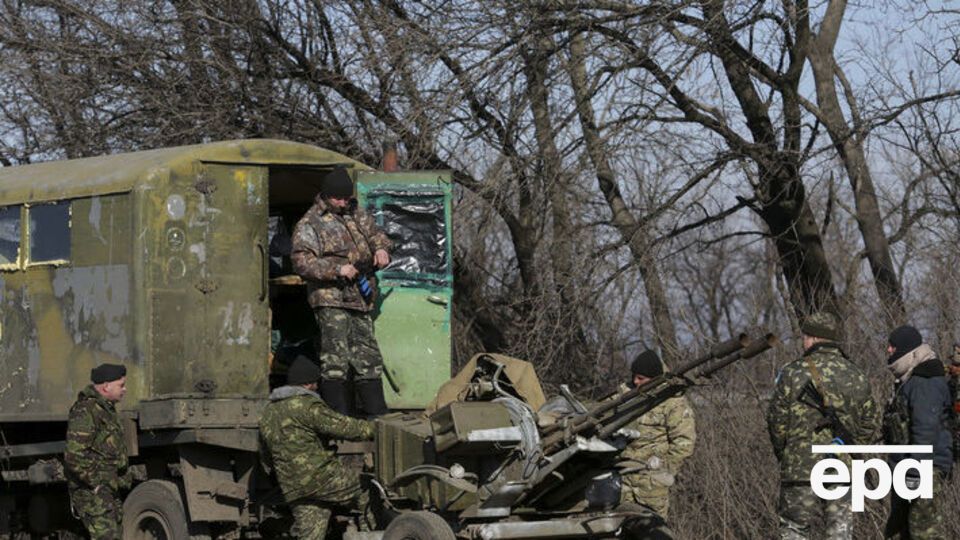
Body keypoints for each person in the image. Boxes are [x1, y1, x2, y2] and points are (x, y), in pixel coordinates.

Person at [767, 311, 879, 540]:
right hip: (842, 468)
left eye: (806, 336)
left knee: (794, 530)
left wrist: (786, 455)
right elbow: (870, 422)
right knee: (840, 533)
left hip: (800, 469)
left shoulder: (792, 372)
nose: (803, 341)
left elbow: (776, 422)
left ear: (815, 339)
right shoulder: (856, 374)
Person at [291, 168, 392, 417]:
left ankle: (376, 416)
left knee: (368, 355)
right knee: (336, 358)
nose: (343, 203)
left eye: (347, 198)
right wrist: (337, 269)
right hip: (331, 299)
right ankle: (337, 417)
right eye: (338, 199)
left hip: (360, 297)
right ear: (326, 196)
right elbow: (302, 262)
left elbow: (378, 235)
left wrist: (381, 249)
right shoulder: (310, 223)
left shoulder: (357, 213)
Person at [259, 355, 376, 540]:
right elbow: (346, 428)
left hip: (293, 485)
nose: (317, 386)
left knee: (311, 535)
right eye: (315, 383)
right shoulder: (307, 405)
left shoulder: (269, 412)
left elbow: (265, 454)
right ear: (308, 384)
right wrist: (376, 427)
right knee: (368, 488)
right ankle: (371, 535)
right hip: (321, 477)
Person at [882, 325, 953, 539]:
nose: (888, 351)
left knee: (922, 530)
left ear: (905, 349)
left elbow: (925, 428)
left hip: (923, 468)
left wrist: (915, 472)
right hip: (912, 466)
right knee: (903, 530)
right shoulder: (911, 380)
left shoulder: (925, 381)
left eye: (892, 346)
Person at [619, 349, 696, 519]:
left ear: (654, 378)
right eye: (634, 377)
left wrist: (663, 471)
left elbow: (684, 443)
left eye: (641, 378)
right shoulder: (624, 394)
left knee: (652, 529)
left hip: (652, 485)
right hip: (623, 480)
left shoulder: (672, 402)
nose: (635, 381)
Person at [64, 363, 132, 540]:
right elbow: (74, 455)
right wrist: (96, 484)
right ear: (106, 386)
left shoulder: (106, 410)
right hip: (93, 493)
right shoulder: (86, 410)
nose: (125, 389)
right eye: (121, 385)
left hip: (107, 490)